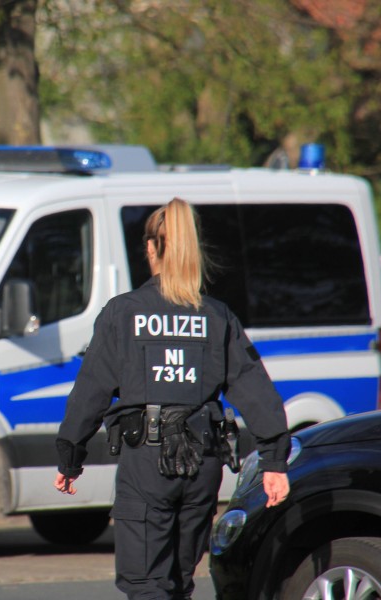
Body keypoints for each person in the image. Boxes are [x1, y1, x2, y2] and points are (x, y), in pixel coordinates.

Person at [54, 198, 291, 600]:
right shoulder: (216, 317)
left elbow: (90, 392)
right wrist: (274, 461)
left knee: (147, 584)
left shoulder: (123, 313)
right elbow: (255, 388)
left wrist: (69, 457)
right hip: (204, 464)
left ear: (151, 248)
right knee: (178, 583)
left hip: (147, 463)